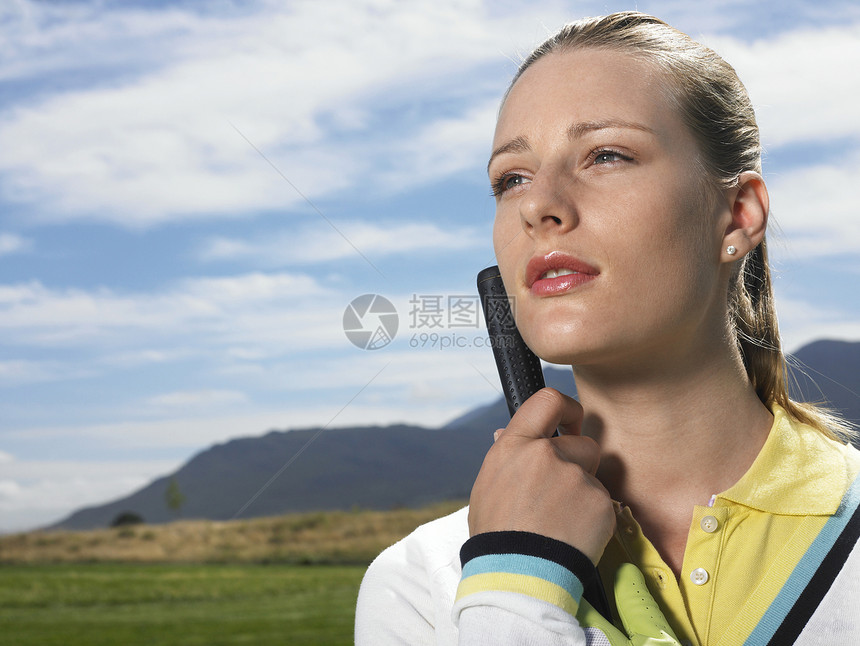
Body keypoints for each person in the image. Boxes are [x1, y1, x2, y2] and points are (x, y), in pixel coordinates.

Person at [355, 12, 860, 645]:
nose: (538, 205)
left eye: (606, 155)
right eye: (512, 178)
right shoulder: (422, 585)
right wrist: (516, 573)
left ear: (736, 214)